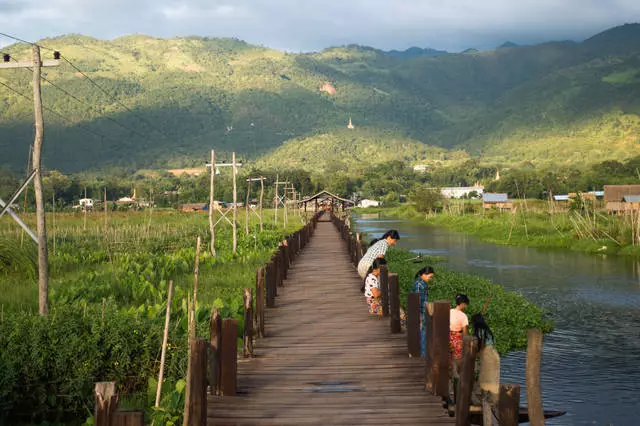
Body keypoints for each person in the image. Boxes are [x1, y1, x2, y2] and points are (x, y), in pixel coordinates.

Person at [449, 294, 469, 405]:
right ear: (462, 304)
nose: (465, 306)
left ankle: (450, 382)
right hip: (457, 338)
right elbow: (465, 332)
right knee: (457, 361)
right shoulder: (463, 316)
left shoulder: (449, 311)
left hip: (447, 337)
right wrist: (467, 341)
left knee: (450, 360)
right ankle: (455, 384)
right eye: (465, 304)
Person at [412, 266, 435, 357]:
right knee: (423, 332)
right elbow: (417, 301)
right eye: (430, 276)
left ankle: (423, 352)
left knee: (424, 332)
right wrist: (420, 316)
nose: (430, 279)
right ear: (424, 275)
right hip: (420, 312)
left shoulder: (422, 284)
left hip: (422, 311)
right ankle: (423, 353)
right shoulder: (419, 285)